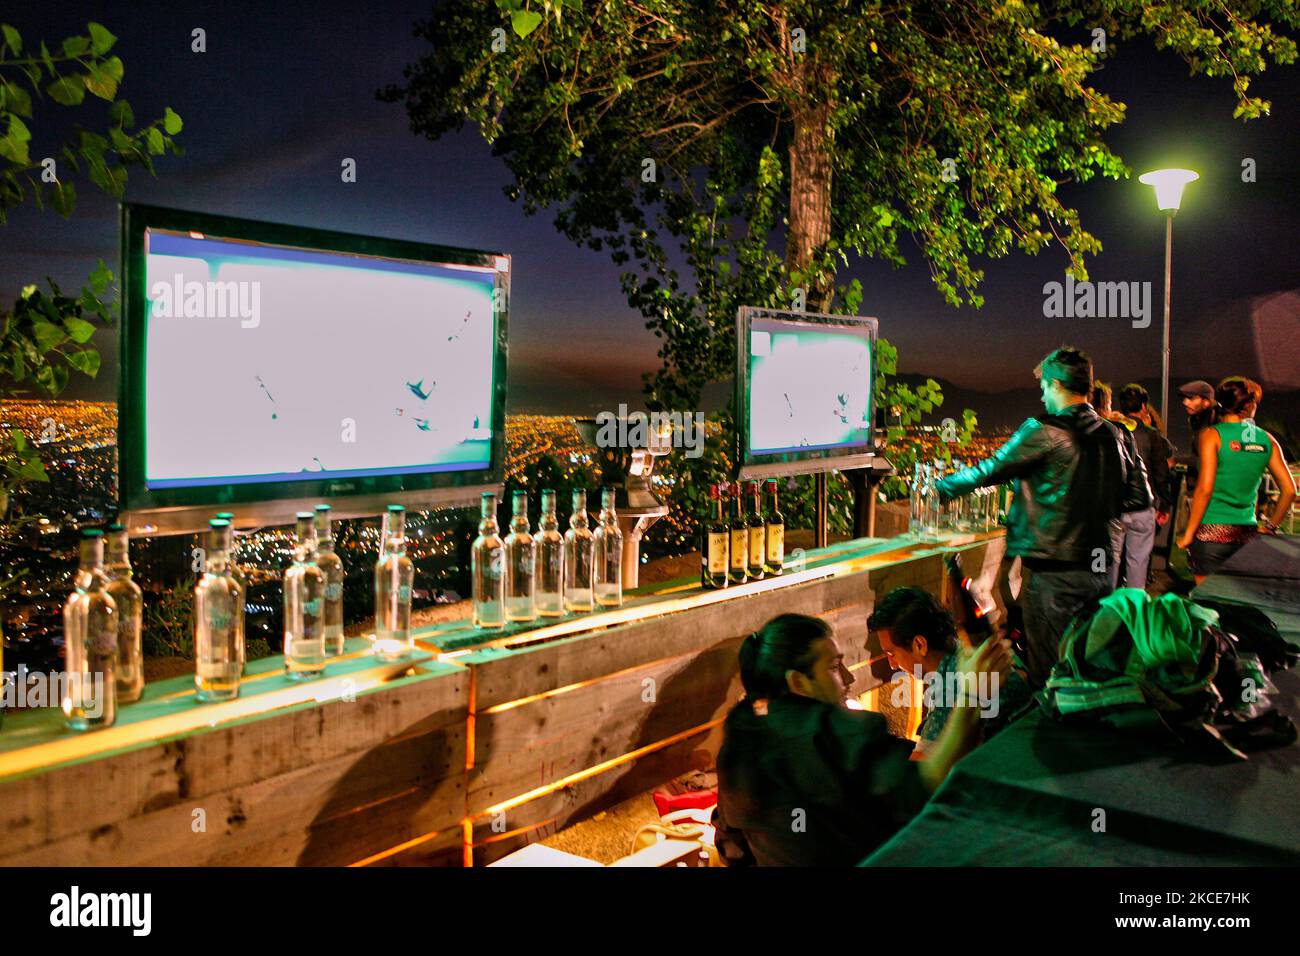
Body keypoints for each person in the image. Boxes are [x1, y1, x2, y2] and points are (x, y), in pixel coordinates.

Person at [713, 613, 1010, 866]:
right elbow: (926, 787)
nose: (848, 678)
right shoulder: (829, 730)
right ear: (798, 682)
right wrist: (972, 695)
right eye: (832, 667)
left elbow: (731, 845)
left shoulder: (738, 745)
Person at [936, 346, 1151, 688]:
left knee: (1050, 671)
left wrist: (939, 489)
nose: (1041, 394)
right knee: (1091, 662)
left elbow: (989, 470)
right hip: (1103, 568)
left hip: (1055, 572)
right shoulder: (1116, 434)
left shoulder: (1043, 430)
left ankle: (1049, 735)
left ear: (1056, 385)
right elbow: (1139, 498)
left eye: (1044, 387)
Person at [868, 586, 1031, 756]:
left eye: (892, 653)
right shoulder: (966, 649)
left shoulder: (950, 695)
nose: (892, 665)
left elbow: (917, 777)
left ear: (919, 645)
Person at [1177, 376, 1296, 582]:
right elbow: (1289, 490)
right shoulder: (1267, 439)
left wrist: (1189, 534)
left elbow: (1205, 490)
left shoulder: (1212, 435)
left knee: (1208, 608)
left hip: (1211, 531)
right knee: (1238, 606)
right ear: (1249, 405)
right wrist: (1270, 526)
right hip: (1246, 533)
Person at [1114, 383, 1175, 588]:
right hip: (1143, 506)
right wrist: (1164, 504)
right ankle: (1135, 607)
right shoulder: (1152, 435)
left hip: (1115, 506)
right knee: (1138, 561)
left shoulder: (1111, 430)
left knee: (1111, 561)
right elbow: (1161, 473)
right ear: (1143, 407)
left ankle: (1109, 607)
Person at [1178, 380, 1217, 490]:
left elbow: (1207, 460)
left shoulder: (1215, 425)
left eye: (1191, 398)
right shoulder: (1196, 420)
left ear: (1206, 402)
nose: (1185, 402)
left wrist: (1176, 461)